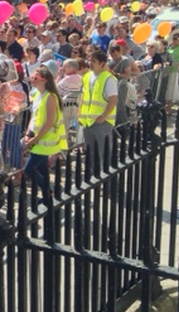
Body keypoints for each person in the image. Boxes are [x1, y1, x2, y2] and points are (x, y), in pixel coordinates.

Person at [23, 66, 68, 206]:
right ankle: (48, 195)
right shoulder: (37, 94)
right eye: (32, 78)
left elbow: (49, 122)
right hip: (37, 139)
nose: (32, 81)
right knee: (42, 170)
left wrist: (35, 139)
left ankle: (48, 193)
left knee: (27, 171)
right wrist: (28, 133)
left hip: (45, 141)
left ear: (44, 80)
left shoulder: (50, 97)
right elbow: (34, 117)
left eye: (35, 78)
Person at [79, 51, 118, 171]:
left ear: (102, 64)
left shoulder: (108, 79)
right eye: (89, 60)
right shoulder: (87, 76)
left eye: (93, 61)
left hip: (102, 122)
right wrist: (80, 113)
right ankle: (93, 177)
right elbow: (83, 96)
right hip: (88, 121)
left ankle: (106, 179)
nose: (90, 63)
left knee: (103, 153)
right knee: (90, 153)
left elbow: (113, 99)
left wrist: (103, 116)